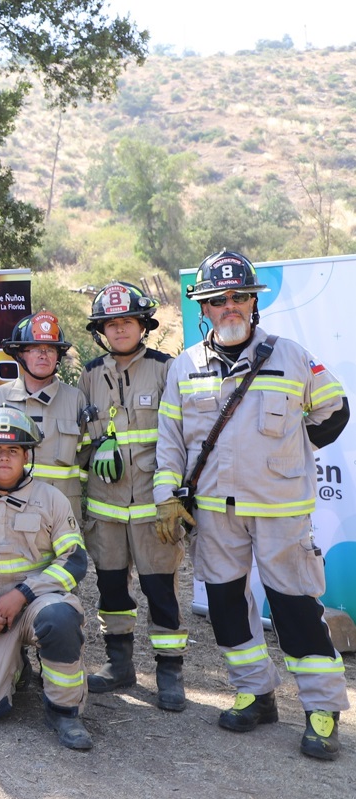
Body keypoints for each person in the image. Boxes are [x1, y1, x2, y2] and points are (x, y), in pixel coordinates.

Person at [156, 250, 350, 760]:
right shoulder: (184, 367)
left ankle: (321, 708)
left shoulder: (291, 355)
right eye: (217, 300)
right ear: (204, 307)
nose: (229, 306)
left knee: (294, 607)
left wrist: (288, 457)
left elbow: (333, 411)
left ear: (253, 302)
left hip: (281, 509)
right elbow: (170, 441)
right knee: (224, 604)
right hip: (214, 513)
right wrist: (165, 498)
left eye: (239, 296)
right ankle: (255, 692)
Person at [0, 408, 93, 750]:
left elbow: (74, 560)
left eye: (13, 451)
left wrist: (24, 593)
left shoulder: (52, 499)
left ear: (27, 455)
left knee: (61, 617)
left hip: (39, 605)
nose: (4, 458)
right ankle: (16, 667)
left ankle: (64, 711)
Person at [77, 282, 185, 711]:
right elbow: (81, 430)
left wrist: (179, 494)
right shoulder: (89, 374)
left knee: (160, 589)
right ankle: (119, 665)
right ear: (102, 330)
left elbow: (181, 434)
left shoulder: (165, 369)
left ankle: (170, 671)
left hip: (153, 504)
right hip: (105, 508)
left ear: (143, 325)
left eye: (127, 321)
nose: (119, 329)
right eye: (111, 323)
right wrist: (97, 440)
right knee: (111, 589)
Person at [0, 311, 88, 513]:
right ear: (20, 354)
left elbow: (86, 457)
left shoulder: (75, 399)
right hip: (11, 509)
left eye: (50, 350)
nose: (44, 355)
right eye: (35, 348)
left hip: (62, 512)